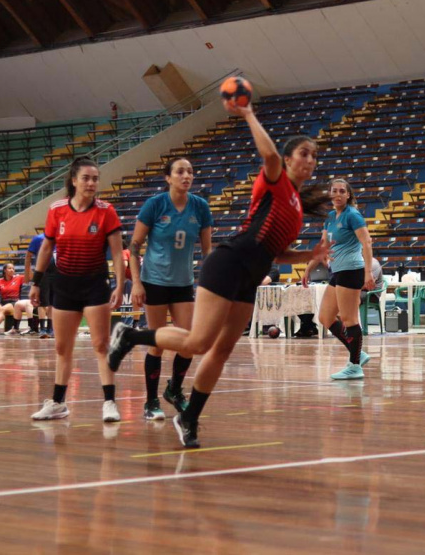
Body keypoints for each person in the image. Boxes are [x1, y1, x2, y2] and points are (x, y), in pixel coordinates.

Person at [106, 99, 331, 449]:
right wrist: (248, 113)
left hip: (250, 277)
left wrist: (310, 254)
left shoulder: (299, 210)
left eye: (314, 156)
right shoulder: (275, 181)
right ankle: (131, 337)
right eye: (304, 153)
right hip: (227, 263)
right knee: (198, 342)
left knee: (222, 350)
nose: (310, 160)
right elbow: (269, 155)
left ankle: (189, 417)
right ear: (288, 159)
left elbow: (277, 253)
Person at [29, 157, 126, 422]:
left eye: (95, 178)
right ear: (73, 181)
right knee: (62, 347)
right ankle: (58, 403)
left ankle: (109, 402)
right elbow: (47, 248)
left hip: (95, 284)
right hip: (64, 285)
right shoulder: (56, 209)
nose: (92, 183)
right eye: (86, 178)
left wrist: (120, 284)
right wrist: (36, 282)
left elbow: (117, 254)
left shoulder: (107, 211)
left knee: (100, 345)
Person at [128, 156, 212, 420]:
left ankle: (174, 390)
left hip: (184, 283)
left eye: (190, 171)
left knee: (189, 342)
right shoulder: (155, 205)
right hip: (154, 281)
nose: (186, 176)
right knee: (158, 343)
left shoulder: (200, 207)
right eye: (180, 171)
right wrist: (137, 283)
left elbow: (207, 251)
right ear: (168, 177)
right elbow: (133, 246)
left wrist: (207, 285)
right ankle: (150, 401)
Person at [304, 178, 374, 380]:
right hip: (337, 272)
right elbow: (323, 245)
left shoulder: (353, 215)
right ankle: (357, 353)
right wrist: (308, 269)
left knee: (349, 319)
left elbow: (367, 243)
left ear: (348, 195)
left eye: (342, 191)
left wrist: (368, 273)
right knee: (325, 317)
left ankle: (354, 366)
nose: (337, 194)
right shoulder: (330, 217)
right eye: (334, 191)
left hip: (352, 270)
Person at [0, 263, 31, 335]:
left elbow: (30, 277)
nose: (12, 270)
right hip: (3, 301)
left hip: (14, 303)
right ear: (5, 270)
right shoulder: (0, 281)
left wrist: (28, 267)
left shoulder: (18, 278)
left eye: (13, 268)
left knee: (3, 309)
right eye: (9, 268)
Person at [25, 232, 55, 338]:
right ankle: (42, 328)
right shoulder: (38, 238)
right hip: (43, 273)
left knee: (53, 302)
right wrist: (27, 274)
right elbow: (28, 256)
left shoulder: (61, 237)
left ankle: (50, 328)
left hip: (56, 273)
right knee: (42, 302)